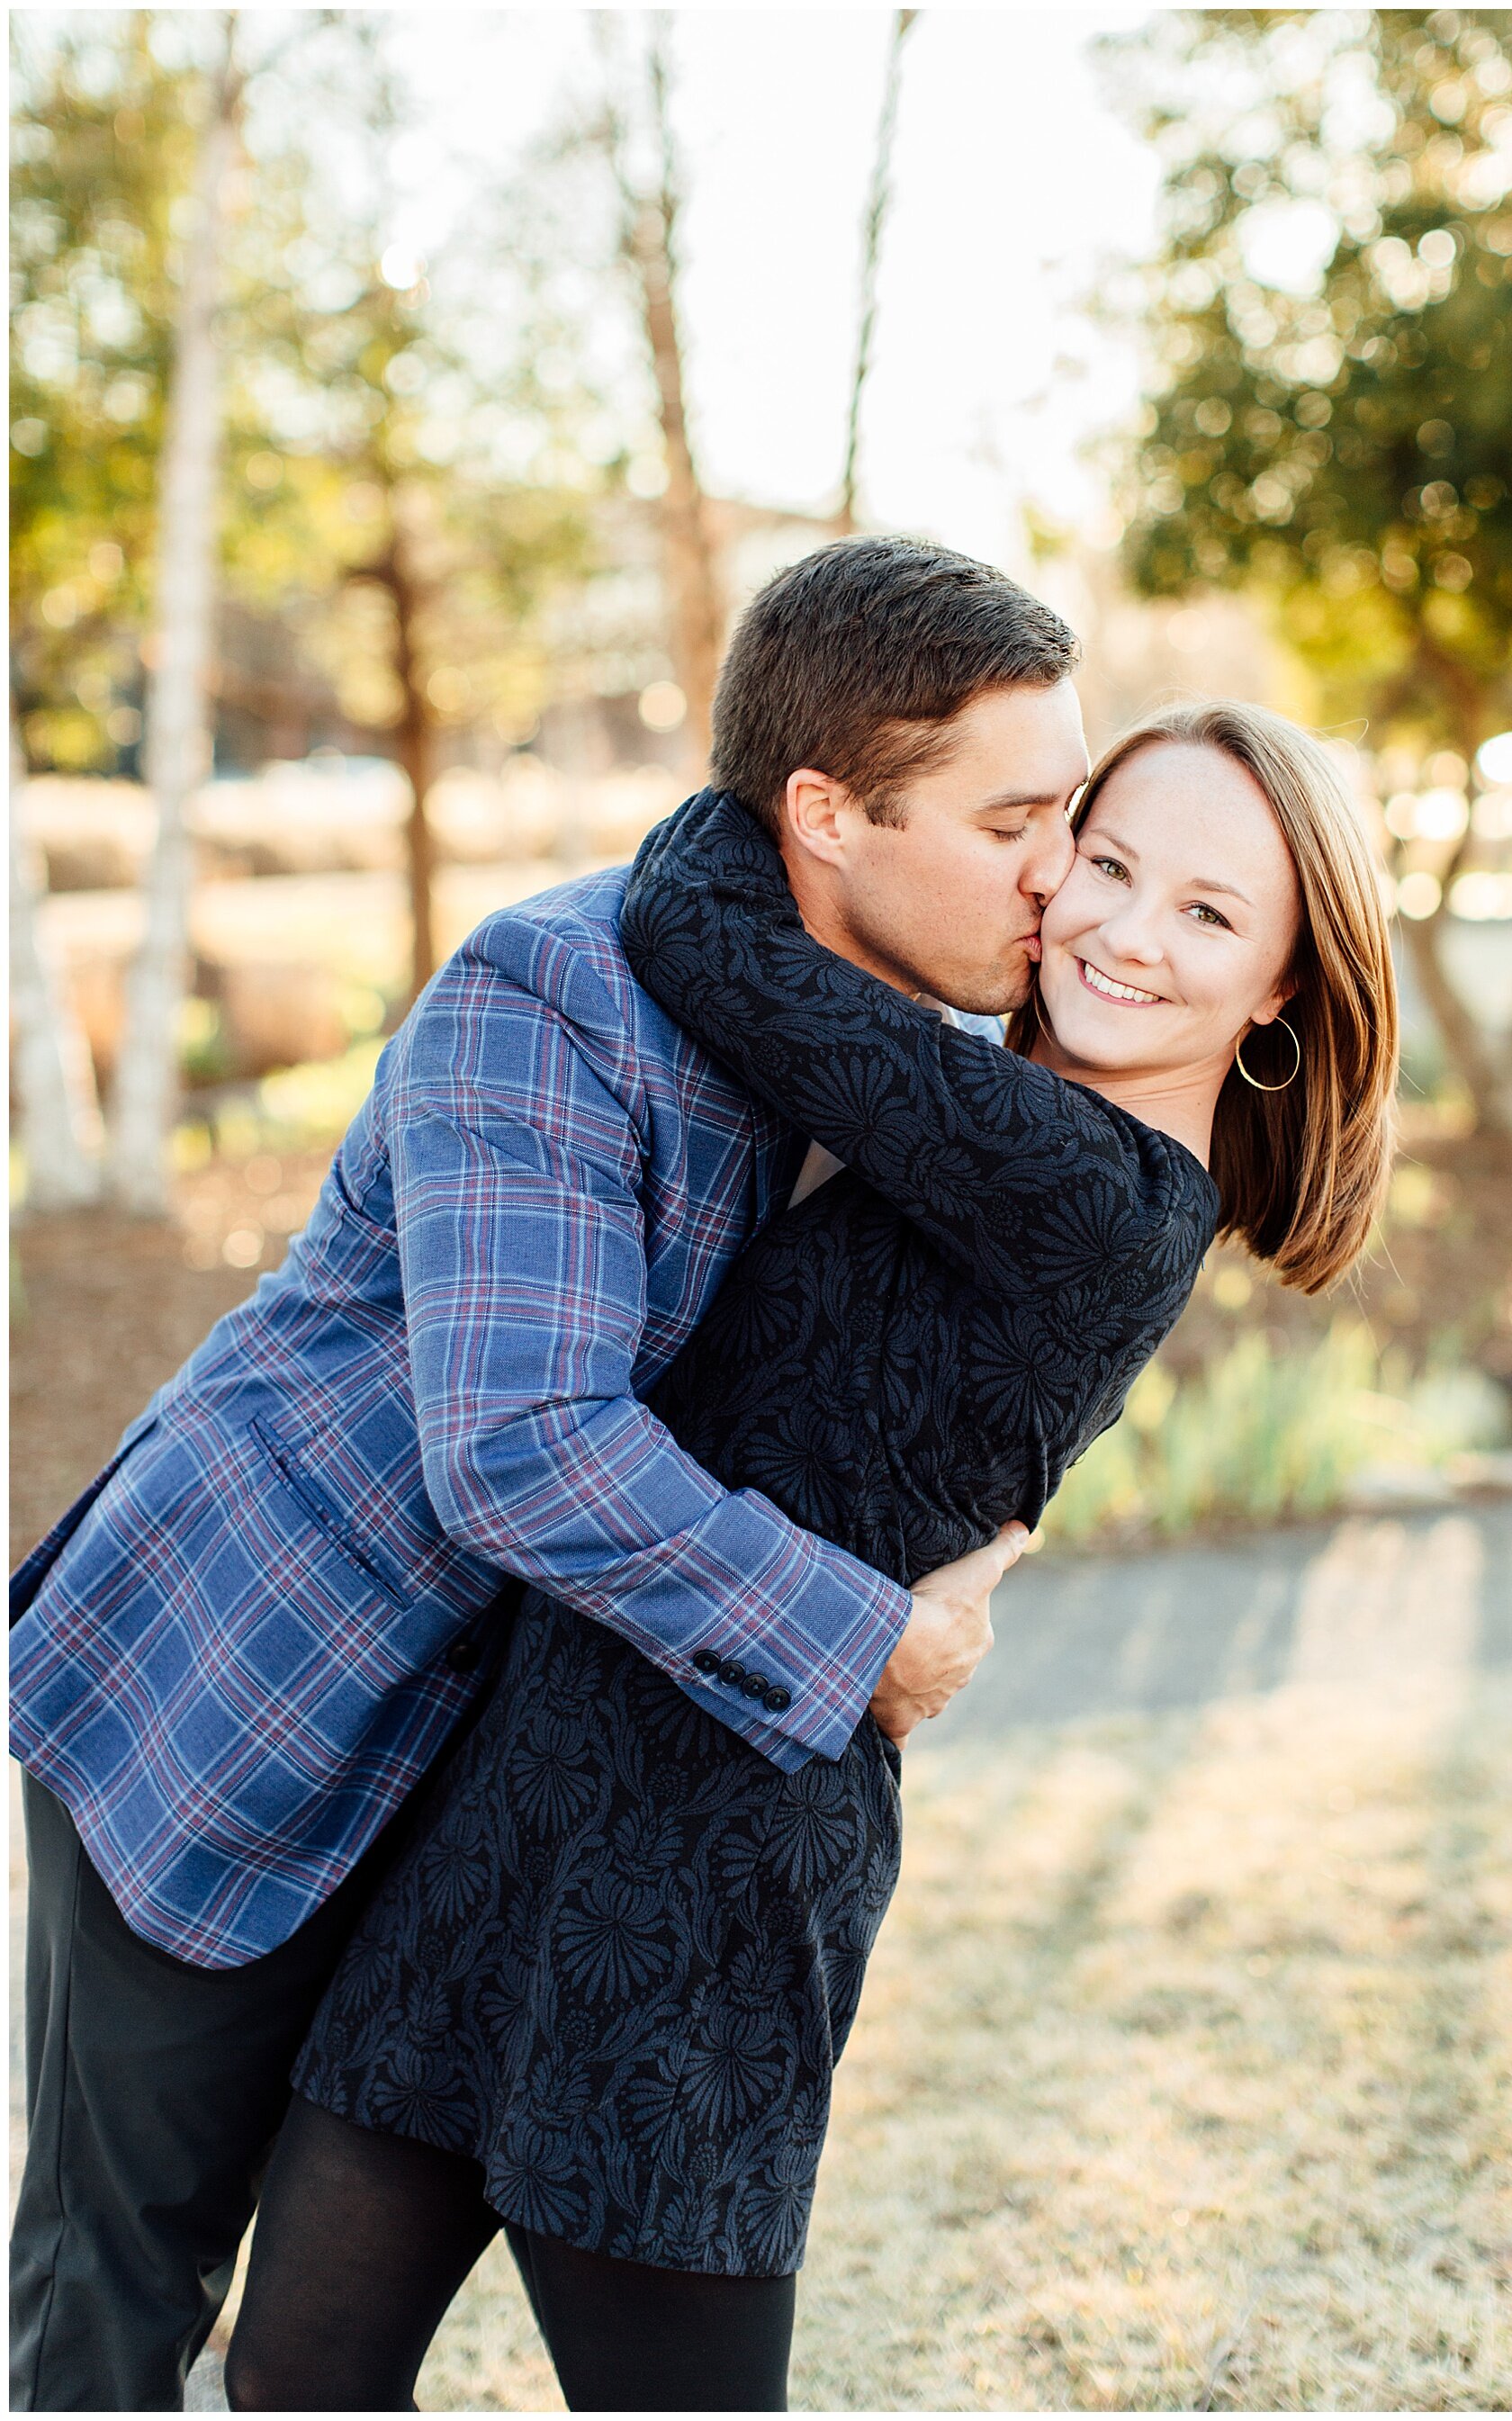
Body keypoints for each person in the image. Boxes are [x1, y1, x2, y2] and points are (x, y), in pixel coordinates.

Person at [8, 536, 1088, 2414]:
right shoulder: (557, 996)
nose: (1054, 869)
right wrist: (863, 1642)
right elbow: (520, 1445)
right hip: (239, 1687)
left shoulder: (883, 1038)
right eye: (1014, 816)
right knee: (123, 2279)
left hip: (476, 1749)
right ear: (828, 814)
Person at [221, 698, 1399, 2411]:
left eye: (1210, 913)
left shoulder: (1098, 1190)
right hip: (520, 1791)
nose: (1124, 930)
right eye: (1105, 858)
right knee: (295, 2379)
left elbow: (707, 922)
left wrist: (791, 771)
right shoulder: (980, 1111)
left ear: (1283, 983)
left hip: (711, 1873)